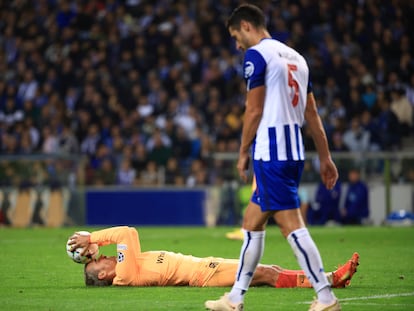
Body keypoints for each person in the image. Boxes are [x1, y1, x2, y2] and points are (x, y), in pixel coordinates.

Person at [205, 4, 341, 311]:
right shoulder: (298, 58)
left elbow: (253, 109)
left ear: (246, 26)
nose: (237, 44)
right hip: (293, 150)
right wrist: (325, 157)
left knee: (291, 226)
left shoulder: (257, 56)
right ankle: (235, 299)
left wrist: (242, 152)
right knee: (252, 223)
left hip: (271, 152)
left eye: (236, 36)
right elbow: (313, 114)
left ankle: (326, 297)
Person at [68, 226, 359, 289]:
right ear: (104, 275)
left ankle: (331, 281)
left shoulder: (125, 265)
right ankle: (331, 279)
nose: (103, 256)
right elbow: (128, 233)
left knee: (270, 270)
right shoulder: (124, 275)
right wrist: (91, 238)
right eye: (98, 261)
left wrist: (92, 246)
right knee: (268, 273)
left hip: (204, 267)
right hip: (204, 274)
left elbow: (125, 239)